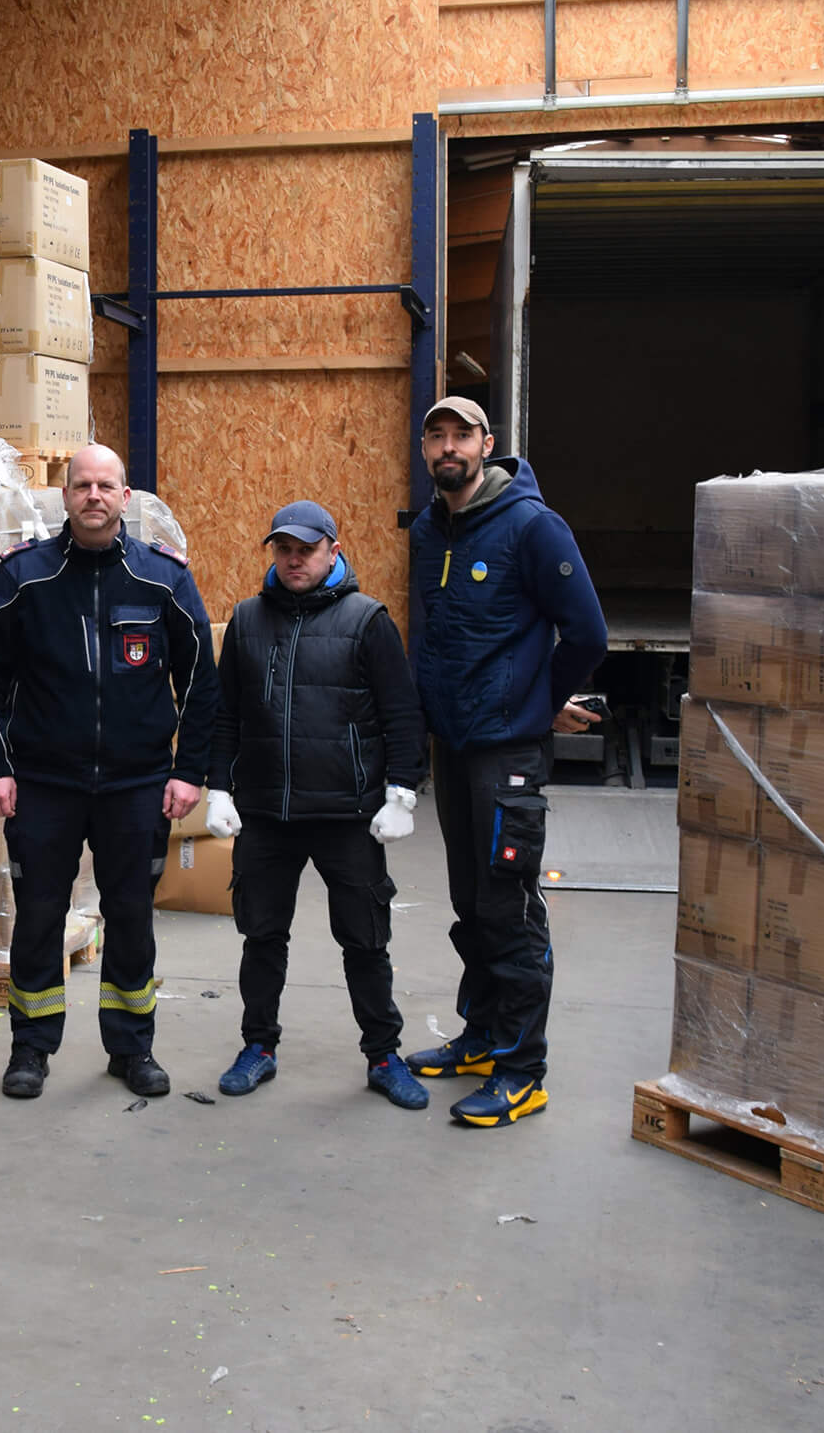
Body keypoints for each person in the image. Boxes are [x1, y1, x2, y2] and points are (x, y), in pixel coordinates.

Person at [0, 444, 220, 1100]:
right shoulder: (24, 577)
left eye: (106, 485)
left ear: (125, 497)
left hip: (136, 785)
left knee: (133, 917)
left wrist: (188, 770)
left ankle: (133, 1048)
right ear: (65, 494)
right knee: (38, 916)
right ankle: (30, 1047)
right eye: (82, 485)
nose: (93, 496)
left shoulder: (162, 578)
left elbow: (200, 679)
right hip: (43, 783)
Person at [401, 396, 608, 1128]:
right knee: (470, 900)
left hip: (508, 750)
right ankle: (484, 1037)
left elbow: (587, 630)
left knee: (509, 906)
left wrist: (538, 700)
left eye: (462, 434)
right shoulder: (430, 529)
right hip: (454, 747)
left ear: (487, 444)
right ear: (426, 449)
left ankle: (523, 1069)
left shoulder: (530, 525)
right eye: (437, 435)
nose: (449, 446)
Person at [203, 500, 430, 1110]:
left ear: (333, 548)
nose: (294, 559)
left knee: (364, 940)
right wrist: (218, 787)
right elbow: (226, 715)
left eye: (307, 548)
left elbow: (402, 715)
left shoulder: (367, 620)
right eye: (284, 548)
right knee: (262, 936)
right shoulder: (247, 620)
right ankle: (259, 1047)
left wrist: (402, 793)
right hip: (269, 816)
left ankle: (384, 1056)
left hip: (348, 815)